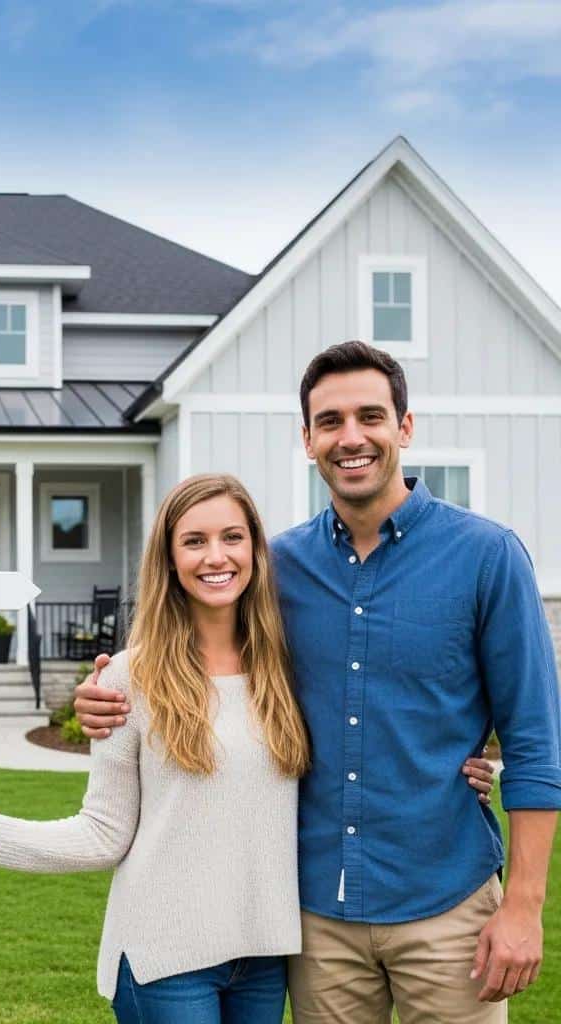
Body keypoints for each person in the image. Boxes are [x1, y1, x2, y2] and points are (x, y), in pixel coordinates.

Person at [75, 340, 561, 1023]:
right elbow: (192, 645)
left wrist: (525, 906)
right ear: (308, 440)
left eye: (370, 416)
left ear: (404, 427)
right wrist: (109, 692)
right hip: (317, 922)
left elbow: (536, 743)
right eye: (330, 421)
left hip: (448, 906)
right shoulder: (277, 569)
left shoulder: (487, 557)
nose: (350, 437)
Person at [0, 473, 312, 1022]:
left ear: (255, 549)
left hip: (265, 957)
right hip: (165, 957)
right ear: (169, 560)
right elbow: (104, 832)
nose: (216, 556)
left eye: (232, 537)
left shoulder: (286, 670)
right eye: (194, 541)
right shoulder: (130, 679)